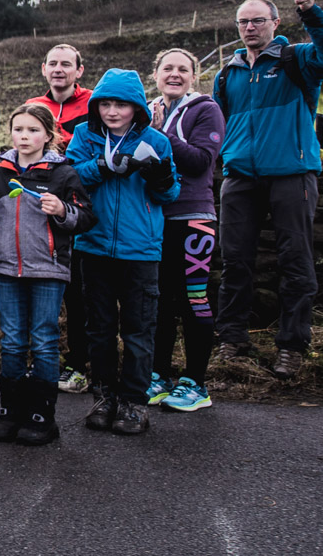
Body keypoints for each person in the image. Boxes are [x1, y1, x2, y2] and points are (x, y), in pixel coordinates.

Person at [0, 104, 95, 445]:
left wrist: (62, 209)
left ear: (48, 135)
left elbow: (85, 216)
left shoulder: (63, 173)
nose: (24, 136)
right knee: (13, 341)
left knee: (44, 339)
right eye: (18, 129)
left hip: (49, 267)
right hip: (7, 266)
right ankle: (10, 411)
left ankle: (41, 415)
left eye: (33, 130)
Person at [213, 0, 322, 380]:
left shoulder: (298, 59)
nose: (250, 27)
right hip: (240, 177)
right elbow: (218, 123)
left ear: (275, 23)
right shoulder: (228, 73)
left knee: (296, 261)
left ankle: (292, 346)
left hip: (292, 174)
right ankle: (232, 339)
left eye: (258, 20)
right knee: (234, 261)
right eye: (243, 22)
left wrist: (310, 13)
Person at [66, 69, 179, 436]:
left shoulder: (156, 140)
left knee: (139, 330)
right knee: (99, 328)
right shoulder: (84, 135)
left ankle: (133, 402)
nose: (112, 112)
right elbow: (71, 178)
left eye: (121, 105)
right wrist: (102, 166)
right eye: (106, 104)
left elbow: (169, 194)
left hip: (141, 249)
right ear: (96, 106)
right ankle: (103, 397)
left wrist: (161, 179)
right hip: (94, 245)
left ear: (137, 108)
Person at [145, 49, 225, 412]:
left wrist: (159, 133)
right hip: (155, 218)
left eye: (183, 69)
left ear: (194, 76)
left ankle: (196, 383)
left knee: (194, 298)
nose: (174, 74)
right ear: (156, 74)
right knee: (160, 299)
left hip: (194, 219)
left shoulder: (206, 109)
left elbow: (200, 161)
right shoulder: (147, 110)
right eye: (167, 68)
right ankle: (159, 375)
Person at [26, 44, 93, 394]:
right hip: (43, 213)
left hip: (80, 207)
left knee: (80, 296)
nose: (59, 69)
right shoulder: (35, 106)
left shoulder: (94, 103)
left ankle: (79, 365)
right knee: (45, 294)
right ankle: (43, 360)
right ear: (43, 68)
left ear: (79, 70)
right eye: (53, 63)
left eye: (66, 64)